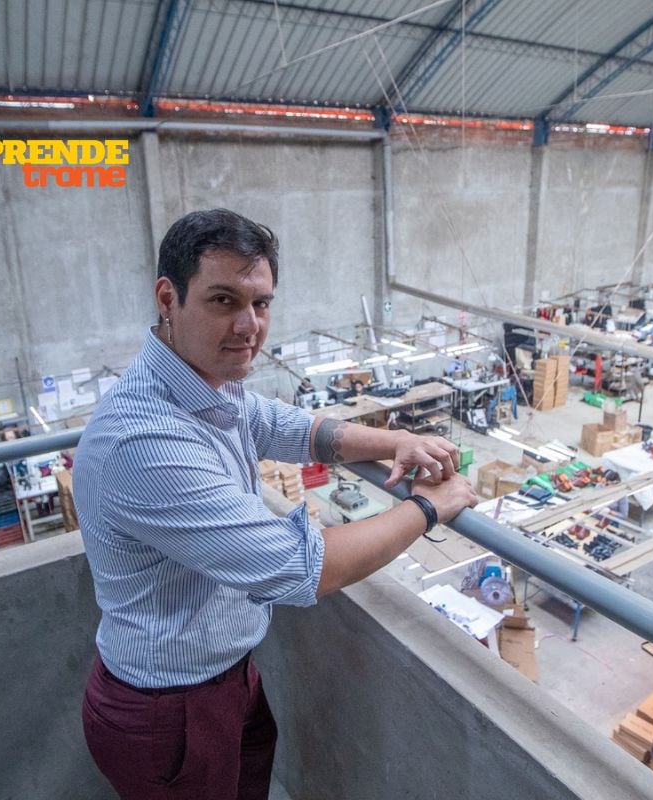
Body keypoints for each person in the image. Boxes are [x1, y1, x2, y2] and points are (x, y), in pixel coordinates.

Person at [72, 208, 477, 800]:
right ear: (168, 298)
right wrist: (428, 507)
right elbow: (302, 567)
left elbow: (285, 426)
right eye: (223, 300)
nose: (249, 326)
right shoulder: (144, 439)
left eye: (261, 303)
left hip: (225, 678)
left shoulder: (203, 383)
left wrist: (394, 440)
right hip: (169, 711)